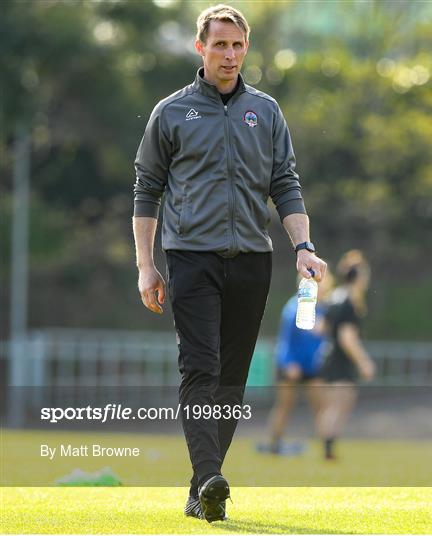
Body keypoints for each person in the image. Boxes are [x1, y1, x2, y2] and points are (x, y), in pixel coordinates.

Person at [132, 4, 327, 523]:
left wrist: (303, 248)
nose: (230, 54)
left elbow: (285, 183)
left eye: (238, 45)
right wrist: (146, 267)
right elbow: (147, 191)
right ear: (201, 48)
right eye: (220, 44)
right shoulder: (171, 113)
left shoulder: (265, 111)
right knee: (201, 367)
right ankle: (211, 476)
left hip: (253, 261)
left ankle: (203, 489)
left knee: (233, 378)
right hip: (190, 259)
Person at [263, 271, 334, 455]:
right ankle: (274, 444)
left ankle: (327, 448)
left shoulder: (322, 309)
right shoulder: (293, 307)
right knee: (284, 406)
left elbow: (323, 337)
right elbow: (285, 341)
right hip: (290, 365)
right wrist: (289, 363)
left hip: (312, 366)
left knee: (321, 406)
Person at [317, 250, 376, 460]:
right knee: (340, 404)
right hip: (340, 358)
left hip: (329, 356)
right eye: (365, 275)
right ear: (358, 277)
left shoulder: (334, 297)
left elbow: (320, 328)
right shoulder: (348, 302)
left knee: (332, 405)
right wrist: (364, 362)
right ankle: (328, 449)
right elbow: (347, 338)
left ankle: (327, 448)